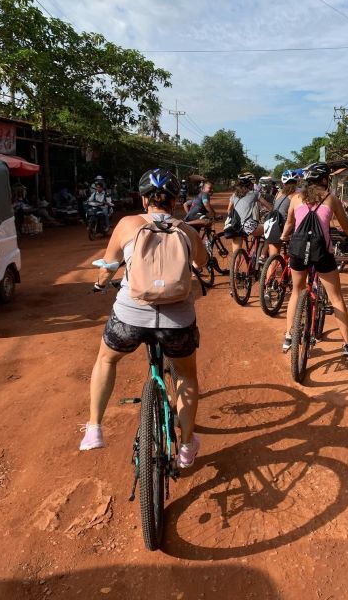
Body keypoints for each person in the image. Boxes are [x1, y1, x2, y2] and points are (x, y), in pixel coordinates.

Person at [79, 168, 208, 469]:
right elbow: (201, 263)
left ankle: (94, 428)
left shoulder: (127, 224)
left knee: (106, 360)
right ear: (175, 200)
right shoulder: (186, 230)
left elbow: (109, 266)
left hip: (130, 315)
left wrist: (100, 284)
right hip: (177, 319)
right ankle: (187, 447)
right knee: (187, 376)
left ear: (143, 197)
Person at [280, 163, 348, 360]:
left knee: (296, 292)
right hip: (322, 253)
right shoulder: (331, 199)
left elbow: (290, 223)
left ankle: (289, 336)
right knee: (336, 298)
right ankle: (347, 344)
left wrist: (283, 237)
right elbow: (345, 225)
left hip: (298, 251)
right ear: (325, 180)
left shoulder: (296, 198)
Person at [226, 173, 272, 252]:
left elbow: (229, 210)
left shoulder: (234, 195)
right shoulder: (255, 194)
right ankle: (263, 255)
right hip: (248, 227)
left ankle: (235, 264)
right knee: (271, 228)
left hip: (235, 226)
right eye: (252, 183)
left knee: (236, 252)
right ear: (249, 184)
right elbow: (269, 207)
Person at [264, 170, 300, 258]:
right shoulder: (297, 195)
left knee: (273, 258)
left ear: (283, 183)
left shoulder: (278, 193)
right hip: (288, 229)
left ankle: (263, 256)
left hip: (274, 226)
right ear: (296, 182)